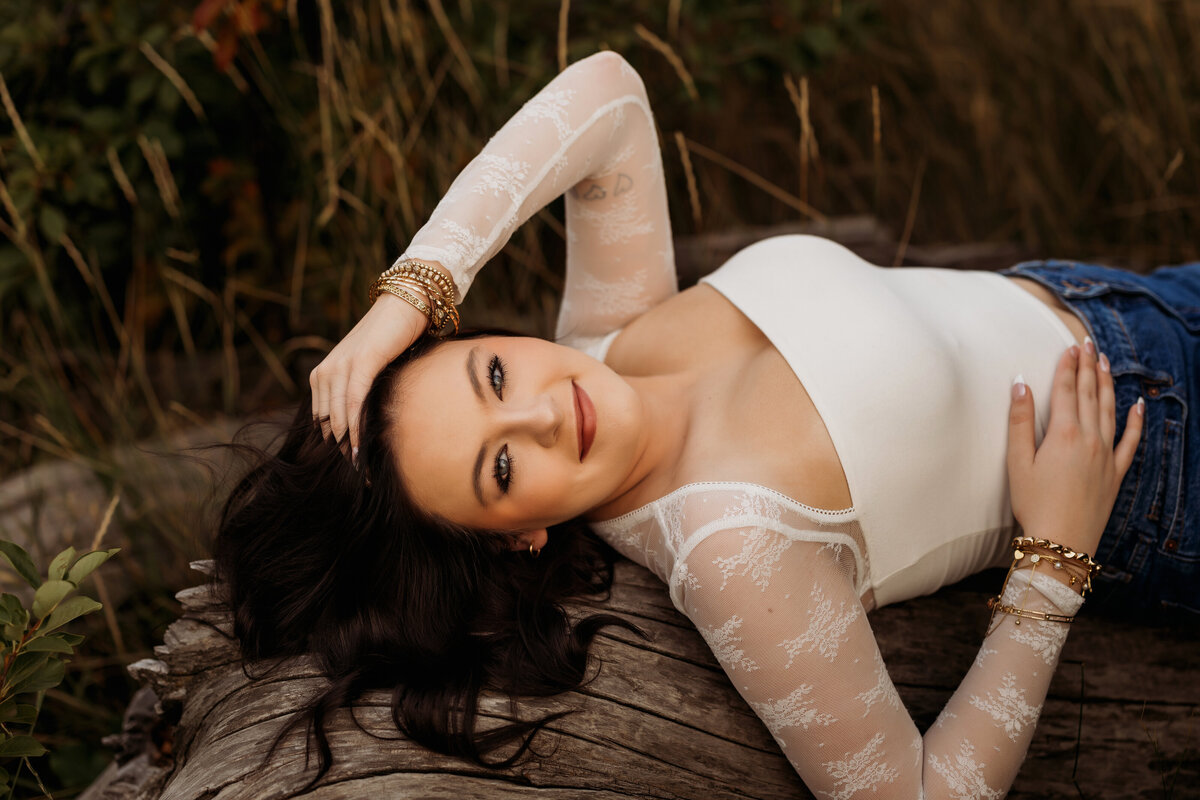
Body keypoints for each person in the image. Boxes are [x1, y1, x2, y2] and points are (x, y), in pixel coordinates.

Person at [215, 51, 1198, 797]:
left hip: (1132, 299)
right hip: (1167, 479)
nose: (548, 408)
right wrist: (1052, 565)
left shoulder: (609, 332)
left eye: (495, 370)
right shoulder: (734, 550)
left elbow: (608, 91)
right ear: (518, 533)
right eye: (503, 465)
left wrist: (410, 293)